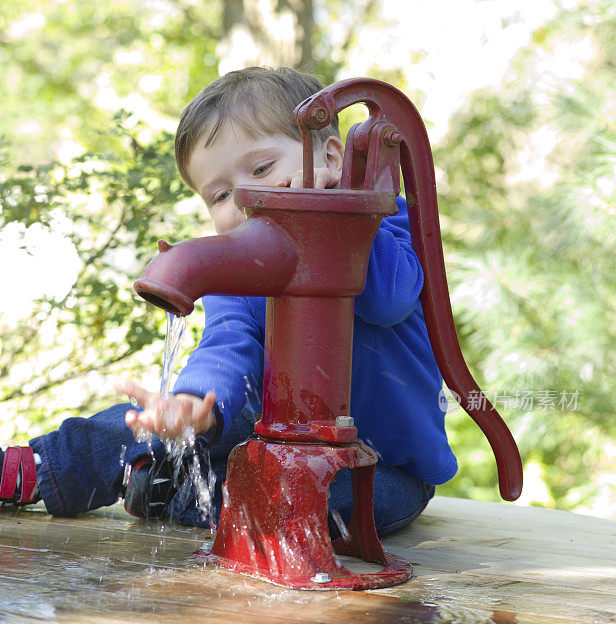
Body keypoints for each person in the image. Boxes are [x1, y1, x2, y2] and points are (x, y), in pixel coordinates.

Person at [0, 66, 457, 535]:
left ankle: (167, 488)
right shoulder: (237, 267)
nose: (243, 197)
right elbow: (226, 345)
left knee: (302, 508)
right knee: (158, 420)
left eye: (261, 169)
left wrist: (344, 209)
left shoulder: (386, 223)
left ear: (331, 160)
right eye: (219, 194)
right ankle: (40, 466)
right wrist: (193, 403)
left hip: (383, 466)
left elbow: (389, 301)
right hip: (270, 433)